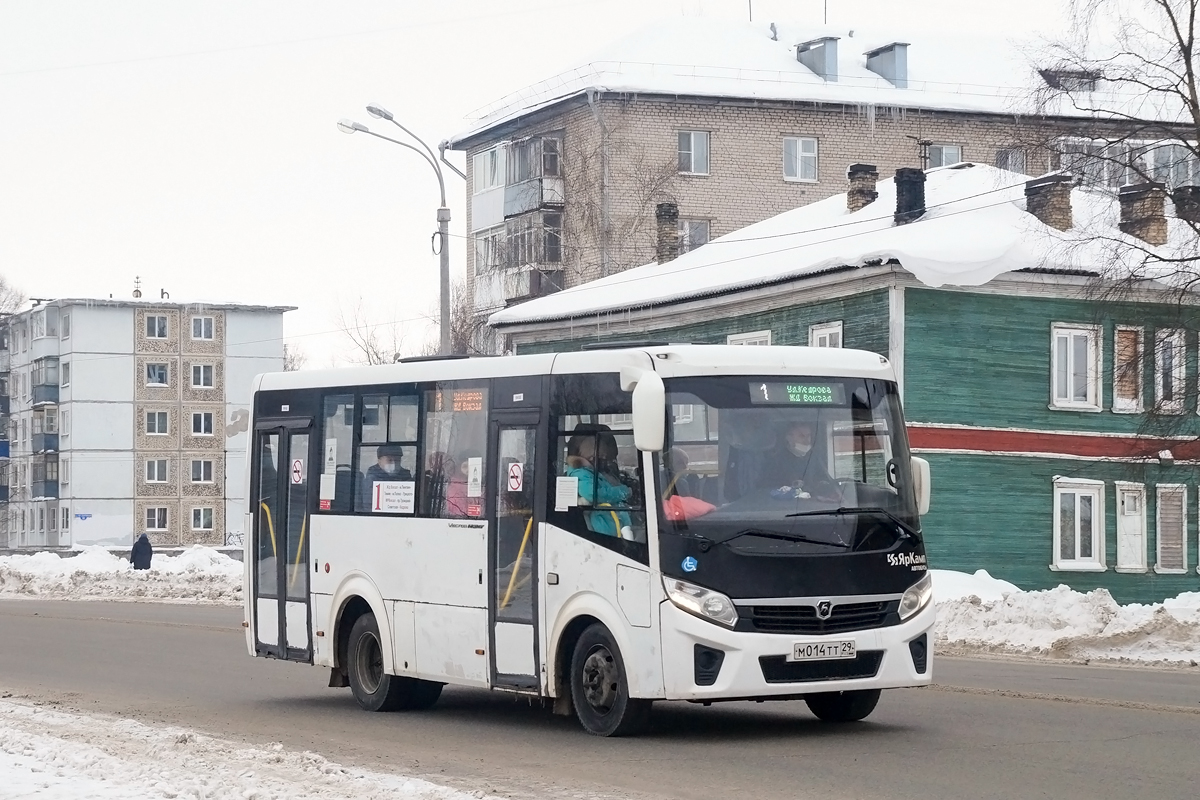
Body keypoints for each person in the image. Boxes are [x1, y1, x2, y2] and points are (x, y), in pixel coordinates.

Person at [565, 430, 633, 538]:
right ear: (591, 456)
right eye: (602, 457)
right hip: (603, 525)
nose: (604, 461)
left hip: (614, 520)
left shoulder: (595, 472)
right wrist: (624, 491)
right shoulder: (580, 473)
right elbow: (593, 494)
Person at [769, 421, 836, 499]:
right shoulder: (775, 461)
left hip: (814, 503)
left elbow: (824, 478)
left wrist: (822, 485)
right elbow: (769, 488)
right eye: (801, 436)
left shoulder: (814, 457)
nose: (807, 441)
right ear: (789, 438)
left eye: (809, 436)